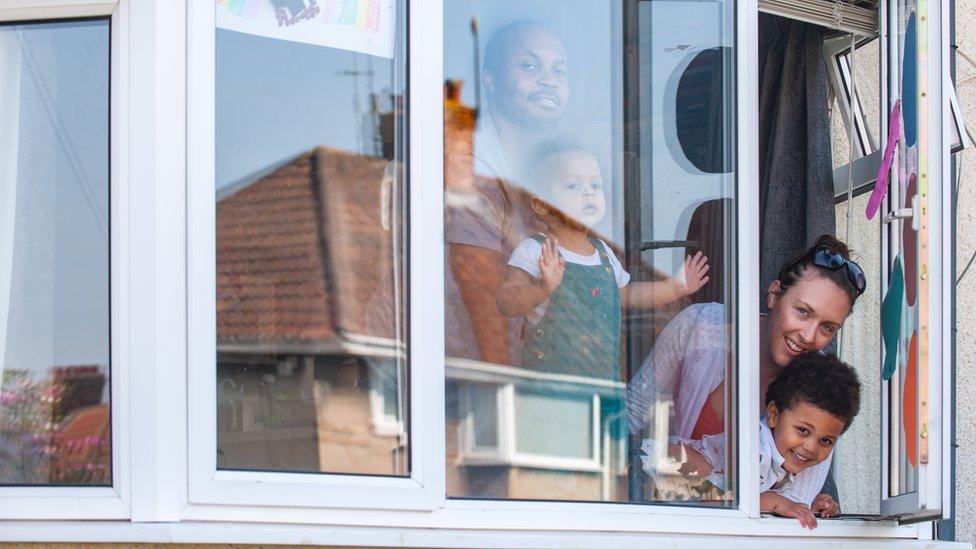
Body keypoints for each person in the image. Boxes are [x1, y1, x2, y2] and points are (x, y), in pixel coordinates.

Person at [627, 234, 866, 505]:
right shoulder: (701, 326)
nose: (809, 336)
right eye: (802, 311)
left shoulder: (823, 391)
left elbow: (796, 500)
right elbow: (632, 414)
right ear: (774, 295)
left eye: (827, 327)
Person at [495, 142, 709, 379]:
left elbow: (628, 294)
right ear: (542, 205)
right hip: (553, 389)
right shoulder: (535, 250)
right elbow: (506, 302)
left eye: (595, 185)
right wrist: (542, 287)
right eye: (573, 185)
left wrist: (674, 287)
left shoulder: (603, 253)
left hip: (604, 384)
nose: (589, 192)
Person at [447, 20, 573, 365]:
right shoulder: (471, 162)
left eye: (559, 70)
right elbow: (480, 285)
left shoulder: (552, 164)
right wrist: (504, 385)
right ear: (490, 81)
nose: (549, 80)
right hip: (455, 365)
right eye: (529, 66)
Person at [661, 353, 861, 529]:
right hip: (654, 475)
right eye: (803, 430)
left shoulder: (783, 456)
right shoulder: (756, 448)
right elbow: (724, 503)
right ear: (773, 415)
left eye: (826, 440)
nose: (811, 447)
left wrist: (812, 509)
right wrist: (778, 502)